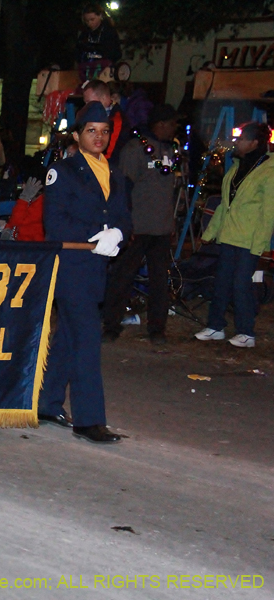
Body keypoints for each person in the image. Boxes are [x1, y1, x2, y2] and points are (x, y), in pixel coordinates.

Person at [39, 101, 131, 444]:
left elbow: (123, 215)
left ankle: (46, 403)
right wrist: (97, 234)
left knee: (68, 336)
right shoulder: (63, 172)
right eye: (92, 131)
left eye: (105, 131)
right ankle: (89, 420)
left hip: (96, 268)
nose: (99, 137)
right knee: (88, 337)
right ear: (77, 136)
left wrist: (118, 232)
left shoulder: (114, 173)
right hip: (71, 265)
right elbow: (55, 223)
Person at [103, 104, 180, 345]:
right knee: (122, 277)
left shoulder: (171, 150)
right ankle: (111, 325)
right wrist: (123, 223)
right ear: (161, 124)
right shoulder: (135, 149)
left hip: (161, 228)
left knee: (159, 281)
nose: (175, 128)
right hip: (136, 227)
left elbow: (169, 190)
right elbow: (122, 189)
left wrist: (172, 222)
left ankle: (157, 328)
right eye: (173, 124)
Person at [195, 122, 274, 348]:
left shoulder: (269, 171)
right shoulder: (237, 166)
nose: (236, 143)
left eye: (241, 140)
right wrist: (210, 233)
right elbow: (224, 203)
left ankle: (246, 331)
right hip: (229, 235)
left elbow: (268, 212)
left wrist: (260, 245)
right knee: (221, 282)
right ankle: (215, 326)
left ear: (254, 143)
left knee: (241, 284)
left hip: (249, 238)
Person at [82, 80, 129, 163]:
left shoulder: (116, 120)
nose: (87, 106)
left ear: (104, 98)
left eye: (89, 102)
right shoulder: (88, 115)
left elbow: (110, 154)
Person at [76, 3, 121, 80]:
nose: (90, 23)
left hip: (104, 71)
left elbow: (116, 53)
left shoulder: (109, 31)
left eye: (92, 19)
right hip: (87, 71)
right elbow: (78, 53)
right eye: (87, 21)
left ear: (100, 16)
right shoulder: (84, 34)